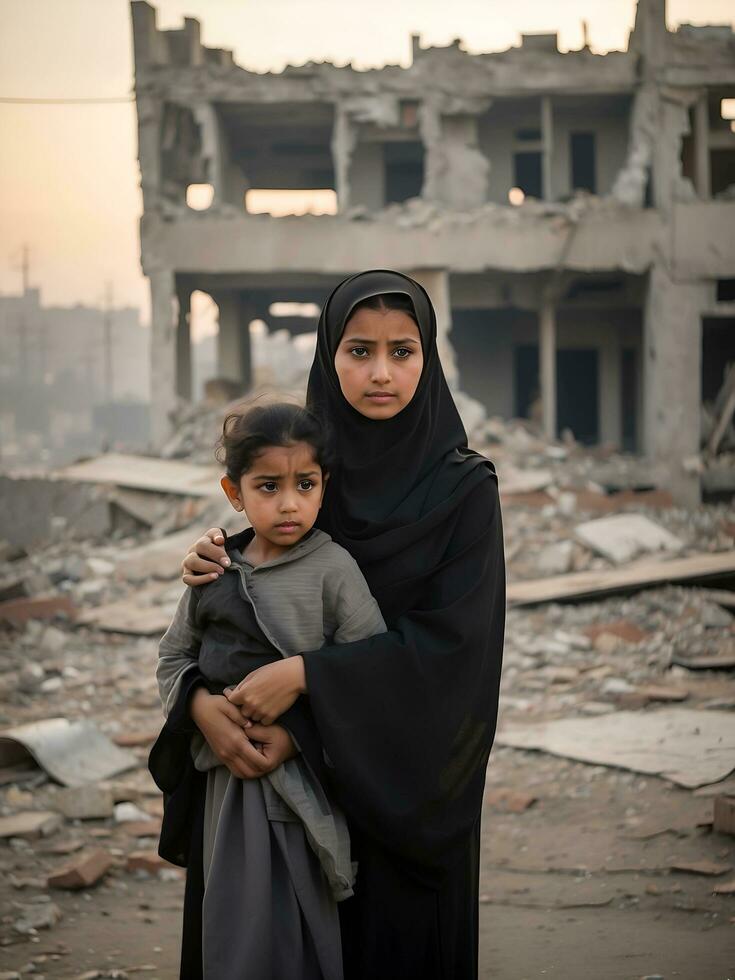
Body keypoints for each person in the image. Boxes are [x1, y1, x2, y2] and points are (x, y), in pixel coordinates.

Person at [177, 270, 506, 979]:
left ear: (430, 357)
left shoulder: (462, 494)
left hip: (402, 794)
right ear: (328, 356)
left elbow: (455, 655)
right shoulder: (302, 475)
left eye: (402, 350)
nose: (380, 373)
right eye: (358, 351)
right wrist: (200, 705)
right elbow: (226, 627)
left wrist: (307, 683)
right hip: (272, 790)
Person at [151, 401, 386, 979]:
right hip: (221, 790)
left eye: (305, 484)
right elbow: (173, 656)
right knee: (228, 928)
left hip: (300, 791)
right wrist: (200, 708)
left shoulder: (334, 570)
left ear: (324, 485)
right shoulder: (215, 570)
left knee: (293, 932)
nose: (288, 503)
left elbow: (371, 670)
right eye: (267, 486)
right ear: (234, 493)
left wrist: (297, 733)